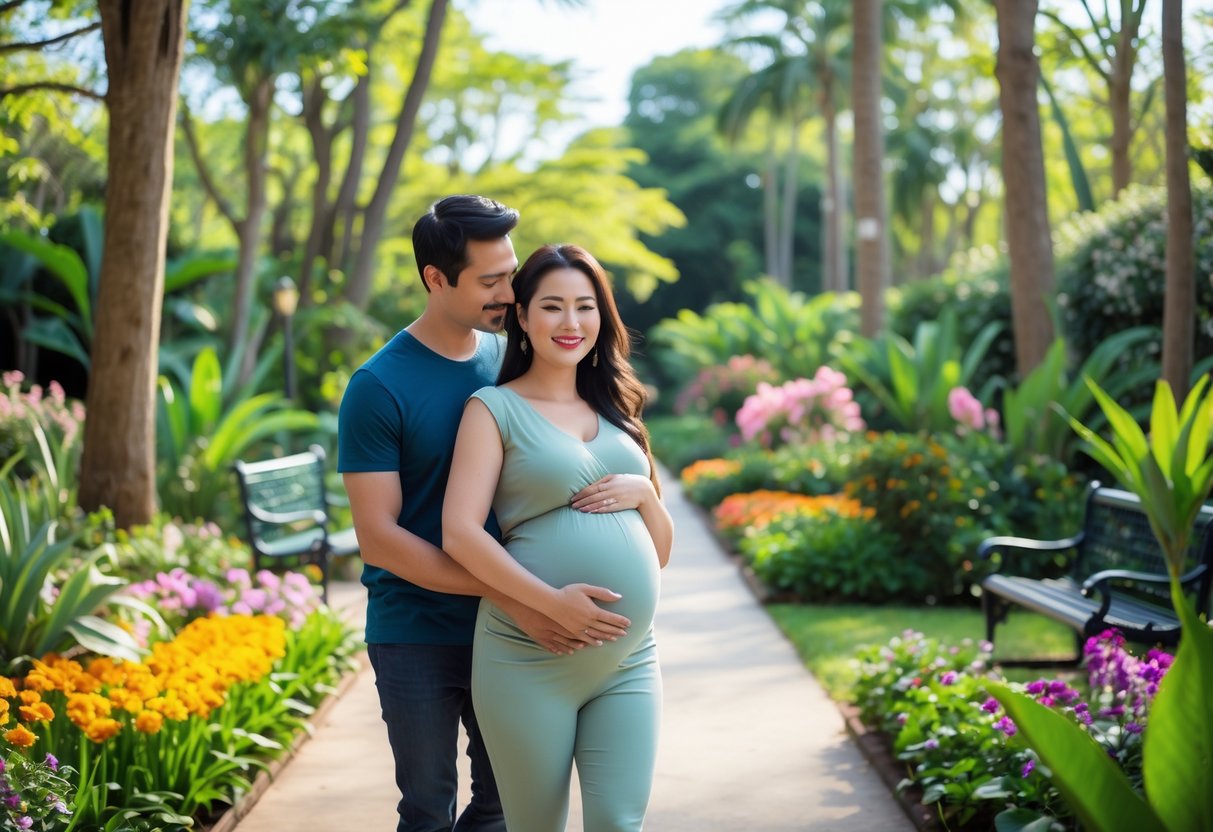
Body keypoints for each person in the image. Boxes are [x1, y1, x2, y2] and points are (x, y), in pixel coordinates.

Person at [338, 197, 630, 832]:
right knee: (427, 806)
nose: (510, 291)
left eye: (512, 272)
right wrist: (528, 598)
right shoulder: (378, 386)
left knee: (505, 802)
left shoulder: (510, 359)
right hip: (417, 631)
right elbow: (380, 539)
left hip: (514, 631)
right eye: (490, 281)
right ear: (435, 279)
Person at [443, 243, 675, 832]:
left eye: (585, 306)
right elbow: (460, 534)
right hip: (529, 652)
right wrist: (551, 605)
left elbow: (662, 552)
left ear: (603, 316)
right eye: (552, 307)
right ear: (522, 317)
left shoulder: (620, 410)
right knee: (537, 826)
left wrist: (646, 494)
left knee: (619, 823)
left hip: (628, 658)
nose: (571, 324)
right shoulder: (492, 408)